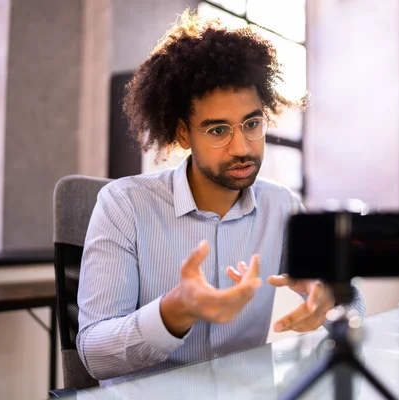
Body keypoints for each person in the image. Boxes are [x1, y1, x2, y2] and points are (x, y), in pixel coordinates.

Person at [76, 9, 365, 384]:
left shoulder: (282, 207)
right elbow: (94, 355)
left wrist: (329, 298)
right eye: (217, 131)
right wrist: (174, 311)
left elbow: (351, 299)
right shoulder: (124, 205)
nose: (242, 147)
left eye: (252, 124)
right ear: (183, 135)